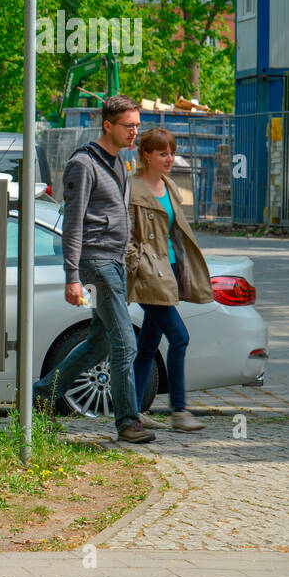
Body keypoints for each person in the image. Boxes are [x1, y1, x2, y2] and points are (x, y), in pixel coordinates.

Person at [34, 95, 155, 442]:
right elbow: (72, 224)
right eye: (128, 126)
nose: (135, 132)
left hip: (114, 262)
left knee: (99, 343)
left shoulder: (118, 163)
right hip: (95, 263)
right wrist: (72, 277)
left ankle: (40, 397)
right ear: (108, 126)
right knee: (124, 341)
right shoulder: (83, 165)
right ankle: (128, 422)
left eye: (137, 125)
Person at [126, 127, 211, 431]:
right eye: (163, 153)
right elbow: (127, 234)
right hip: (150, 274)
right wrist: (136, 262)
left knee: (148, 344)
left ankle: (134, 411)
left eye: (172, 152)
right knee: (180, 337)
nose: (170, 158)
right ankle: (179, 411)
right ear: (146, 155)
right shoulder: (133, 189)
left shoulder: (169, 185)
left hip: (171, 270)